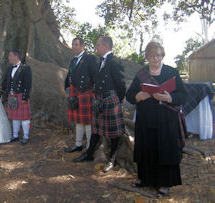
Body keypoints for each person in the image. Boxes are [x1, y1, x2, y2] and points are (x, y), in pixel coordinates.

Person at [125, 41, 188, 197]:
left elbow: (184, 95)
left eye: (159, 55)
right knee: (146, 148)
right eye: (152, 56)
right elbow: (129, 95)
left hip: (166, 120)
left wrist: (170, 97)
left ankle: (164, 183)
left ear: (163, 55)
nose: (156, 59)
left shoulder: (171, 72)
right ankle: (144, 180)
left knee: (164, 149)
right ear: (147, 57)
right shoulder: (141, 74)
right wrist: (137, 96)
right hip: (146, 119)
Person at [73, 36, 126, 173]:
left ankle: (111, 159)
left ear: (106, 46)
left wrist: (118, 100)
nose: (96, 48)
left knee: (114, 133)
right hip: (99, 99)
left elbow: (121, 83)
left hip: (110, 99)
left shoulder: (114, 61)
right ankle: (89, 153)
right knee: (96, 129)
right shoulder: (100, 62)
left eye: (98, 45)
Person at [64, 37, 98, 153]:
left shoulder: (90, 58)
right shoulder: (73, 60)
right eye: (73, 44)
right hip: (74, 93)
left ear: (83, 46)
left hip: (86, 92)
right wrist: (66, 88)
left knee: (88, 122)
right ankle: (78, 145)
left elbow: (95, 76)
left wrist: (95, 93)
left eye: (76, 44)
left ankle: (89, 147)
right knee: (78, 121)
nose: (73, 47)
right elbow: (69, 75)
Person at [1, 49, 32, 145]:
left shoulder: (26, 68)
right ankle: (15, 136)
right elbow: (5, 83)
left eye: (10, 55)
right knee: (15, 117)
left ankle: (26, 136)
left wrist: (24, 98)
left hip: (21, 95)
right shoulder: (9, 69)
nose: (9, 57)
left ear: (16, 57)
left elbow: (28, 84)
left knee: (24, 118)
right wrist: (0, 93)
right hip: (12, 96)